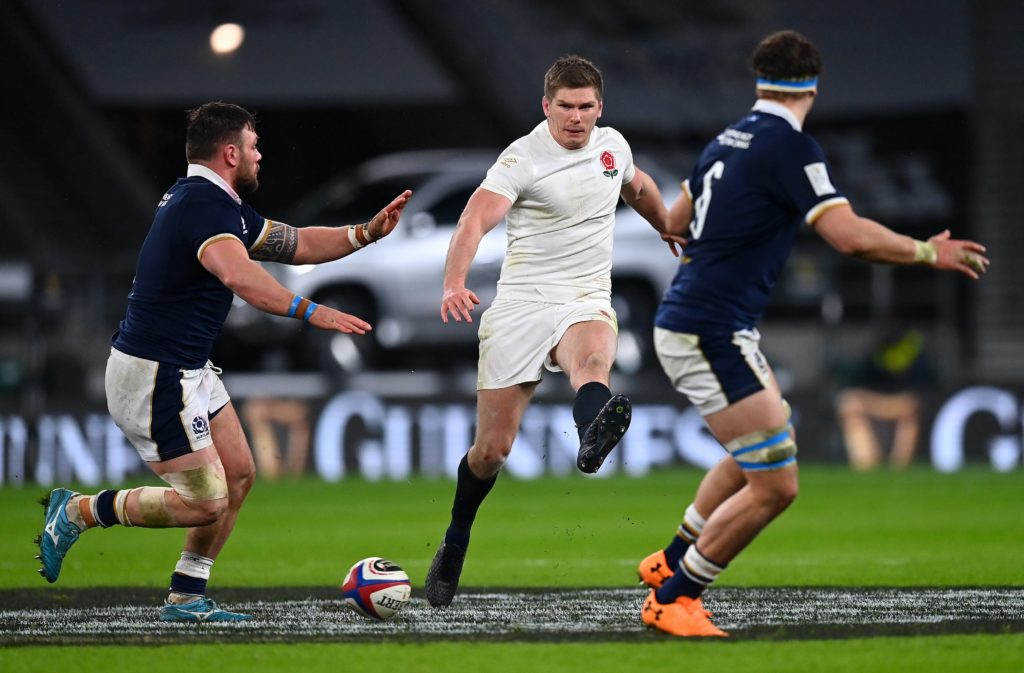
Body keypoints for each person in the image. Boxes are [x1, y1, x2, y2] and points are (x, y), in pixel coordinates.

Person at [637, 30, 989, 637]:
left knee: (770, 439)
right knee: (776, 484)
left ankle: (668, 559)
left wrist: (640, 190)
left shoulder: (725, 139)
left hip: (703, 321)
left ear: (760, 80)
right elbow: (848, 236)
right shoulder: (789, 148)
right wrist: (928, 252)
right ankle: (676, 595)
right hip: (710, 328)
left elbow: (672, 221)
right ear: (813, 86)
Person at [35, 102, 411, 622]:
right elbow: (241, 278)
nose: (261, 156)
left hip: (185, 367)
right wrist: (313, 311)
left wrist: (364, 233)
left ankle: (188, 596)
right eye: (254, 146)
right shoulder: (202, 207)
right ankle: (80, 510)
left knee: (237, 475)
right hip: (154, 373)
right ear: (230, 152)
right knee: (206, 499)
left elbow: (297, 243)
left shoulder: (217, 203)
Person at [424, 54, 679, 608]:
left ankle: (593, 438)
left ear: (599, 107)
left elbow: (638, 188)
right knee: (491, 451)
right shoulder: (522, 157)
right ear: (546, 106)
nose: (576, 117)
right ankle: (455, 540)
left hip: (585, 298)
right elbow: (475, 217)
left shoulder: (613, 147)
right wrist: (453, 282)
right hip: (520, 306)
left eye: (586, 106)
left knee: (592, 363)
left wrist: (668, 227)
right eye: (565, 106)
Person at [836, 325, 932, 470]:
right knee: (849, 405)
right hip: (877, 407)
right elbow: (852, 391)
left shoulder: (914, 353)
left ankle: (898, 467)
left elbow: (913, 400)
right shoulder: (874, 354)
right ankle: (867, 466)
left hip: (896, 406)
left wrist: (878, 405)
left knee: (908, 415)